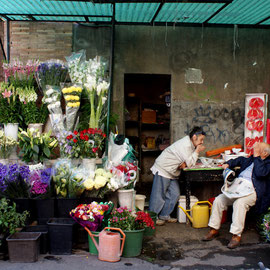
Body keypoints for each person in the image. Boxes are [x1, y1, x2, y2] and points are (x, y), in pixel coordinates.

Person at [203, 142, 270, 249]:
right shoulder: (250, 159)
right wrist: (228, 163)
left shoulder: (267, 164)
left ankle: (236, 235)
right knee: (219, 200)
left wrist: (257, 157)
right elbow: (238, 160)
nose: (254, 149)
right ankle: (214, 229)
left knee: (240, 203)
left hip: (253, 191)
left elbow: (260, 173)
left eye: (258, 148)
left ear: (265, 153)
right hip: (238, 187)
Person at [149, 126, 206, 226]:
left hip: (172, 172)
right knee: (158, 195)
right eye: (201, 140)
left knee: (175, 194)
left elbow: (187, 162)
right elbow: (189, 163)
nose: (202, 142)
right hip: (164, 168)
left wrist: (186, 162)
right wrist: (196, 152)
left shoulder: (190, 145)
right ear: (194, 137)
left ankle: (164, 215)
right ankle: (152, 218)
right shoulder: (186, 145)